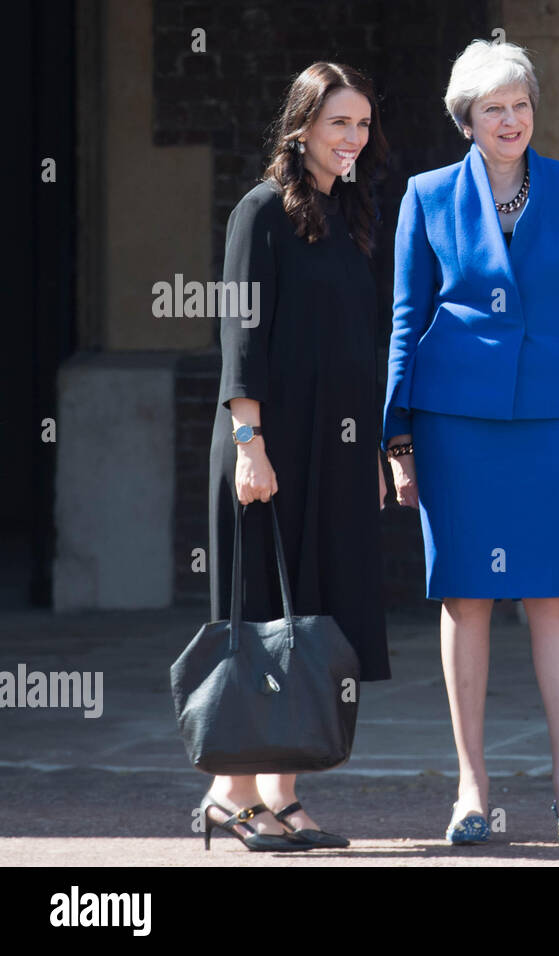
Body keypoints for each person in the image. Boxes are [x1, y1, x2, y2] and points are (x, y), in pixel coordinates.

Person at [383, 39, 559, 848]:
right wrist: (398, 439)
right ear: (467, 120)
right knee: (467, 598)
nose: (511, 120)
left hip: (554, 421)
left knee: (553, 596)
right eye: (494, 108)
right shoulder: (426, 195)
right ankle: (471, 788)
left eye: (521, 104)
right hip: (455, 422)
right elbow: (407, 321)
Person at [203, 62, 391, 851]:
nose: (352, 138)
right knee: (258, 614)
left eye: (361, 125)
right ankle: (231, 792)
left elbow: (365, 339)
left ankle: (282, 793)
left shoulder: (354, 212)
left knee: (311, 618)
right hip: (270, 442)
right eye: (337, 122)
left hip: (339, 446)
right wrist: (250, 443)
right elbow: (240, 339)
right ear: (303, 125)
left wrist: (378, 448)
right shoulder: (259, 212)